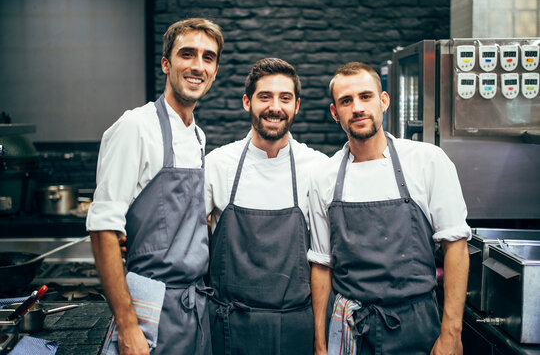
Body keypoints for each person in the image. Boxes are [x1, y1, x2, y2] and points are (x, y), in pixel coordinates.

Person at [308, 62, 470, 355]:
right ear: (335, 113)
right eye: (346, 101)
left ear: (383, 101)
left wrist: (451, 334)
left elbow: (455, 246)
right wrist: (320, 345)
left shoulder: (428, 161)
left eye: (365, 96)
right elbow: (321, 265)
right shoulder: (324, 176)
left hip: (417, 325)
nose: (357, 107)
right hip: (350, 326)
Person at [87, 18, 224, 355]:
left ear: (215, 70)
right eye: (187, 54)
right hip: (150, 308)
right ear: (166, 64)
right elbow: (102, 228)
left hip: (194, 308)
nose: (197, 66)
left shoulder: (197, 135)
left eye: (208, 57)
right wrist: (127, 325)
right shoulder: (136, 126)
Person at [204, 58, 328, 355]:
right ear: (247, 102)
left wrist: (321, 342)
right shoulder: (217, 165)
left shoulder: (319, 169)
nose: (275, 107)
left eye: (285, 98)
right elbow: (188, 243)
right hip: (229, 325)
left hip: (297, 328)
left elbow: (325, 261)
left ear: (297, 105)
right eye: (264, 97)